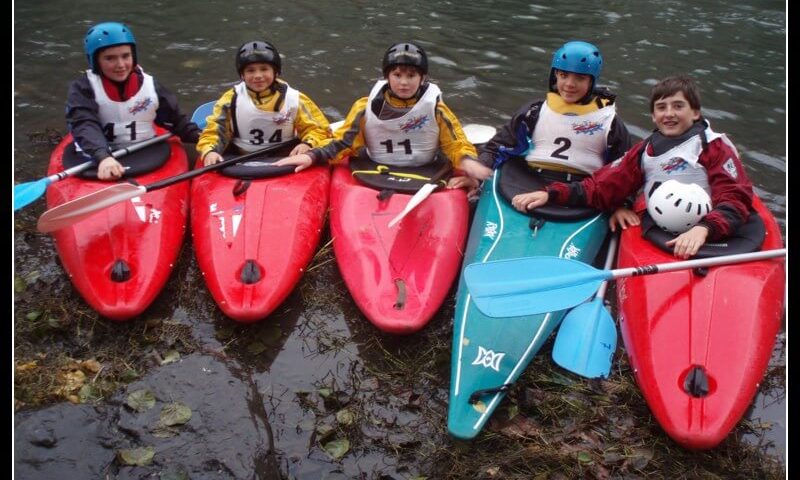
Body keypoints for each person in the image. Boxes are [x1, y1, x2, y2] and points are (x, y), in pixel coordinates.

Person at [520, 75, 754, 259]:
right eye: (661, 108)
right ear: (653, 116)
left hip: (712, 228)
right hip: (663, 228)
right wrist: (550, 193)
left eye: (678, 106)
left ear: (695, 113)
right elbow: (600, 187)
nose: (669, 114)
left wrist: (704, 229)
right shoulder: (643, 151)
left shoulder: (714, 147)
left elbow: (735, 197)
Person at [461, 40, 633, 227]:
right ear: (554, 75)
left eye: (580, 78)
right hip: (530, 178)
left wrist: (622, 205)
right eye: (563, 75)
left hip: (581, 188)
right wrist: (477, 171)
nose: (569, 84)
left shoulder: (610, 122)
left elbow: (624, 171)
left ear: (592, 81)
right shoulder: (533, 112)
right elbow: (498, 147)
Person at [274, 42, 481, 191]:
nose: (404, 83)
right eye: (397, 75)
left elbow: (456, 144)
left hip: (425, 171)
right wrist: (313, 156)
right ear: (386, 77)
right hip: (374, 170)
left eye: (411, 76)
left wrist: (468, 164)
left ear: (423, 78)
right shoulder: (365, 107)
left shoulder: (437, 109)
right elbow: (343, 143)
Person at [66, 21, 201, 180]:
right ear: (95, 61)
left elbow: (176, 121)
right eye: (110, 58)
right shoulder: (83, 88)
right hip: (96, 158)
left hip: (144, 151)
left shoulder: (150, 85)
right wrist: (103, 157)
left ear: (133, 55)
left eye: (125, 56)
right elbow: (84, 124)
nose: (121, 65)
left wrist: (203, 138)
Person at [197, 40, 331, 167]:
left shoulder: (295, 99)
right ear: (242, 75)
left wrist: (308, 144)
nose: (258, 75)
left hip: (284, 157)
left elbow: (318, 130)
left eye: (264, 69)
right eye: (250, 70)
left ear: (276, 72)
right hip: (240, 159)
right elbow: (214, 131)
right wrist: (210, 151)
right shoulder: (230, 100)